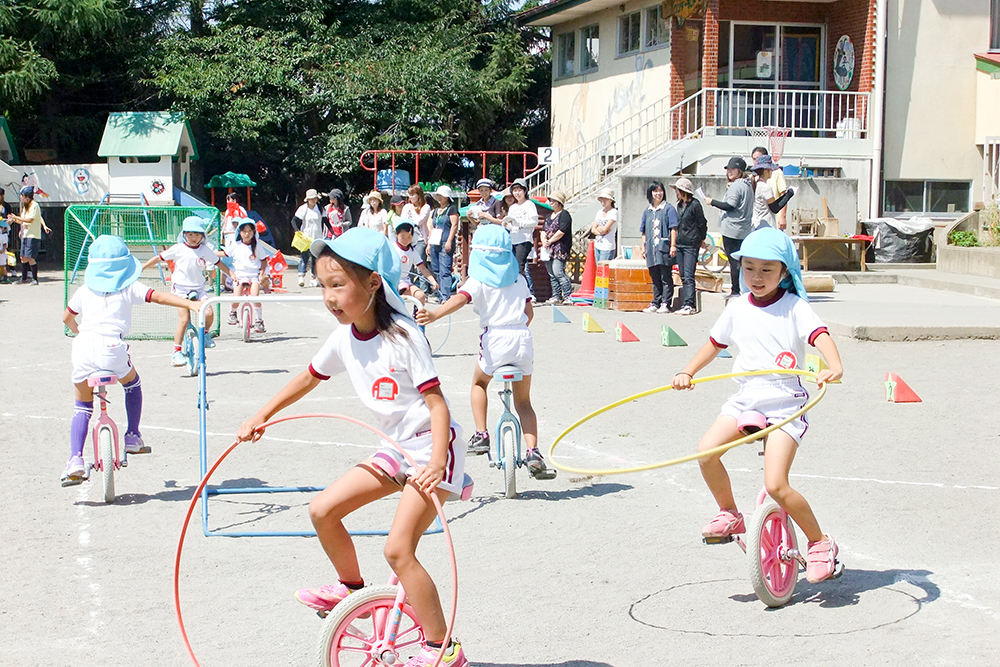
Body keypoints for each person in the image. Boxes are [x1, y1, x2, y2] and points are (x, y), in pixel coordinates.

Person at [237, 227, 469, 667]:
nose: (329, 296)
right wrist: (261, 414)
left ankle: (443, 649)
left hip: (432, 448)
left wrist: (437, 463)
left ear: (373, 282)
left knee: (398, 550)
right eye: (324, 285)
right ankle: (351, 589)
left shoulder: (404, 335)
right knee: (322, 510)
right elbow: (308, 376)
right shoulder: (344, 337)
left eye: (338, 284)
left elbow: (438, 406)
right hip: (396, 446)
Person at [671, 227, 844, 584]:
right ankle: (730, 513)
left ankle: (820, 543)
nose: (757, 277)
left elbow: (820, 337)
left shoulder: (794, 307)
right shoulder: (736, 307)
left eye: (767, 269)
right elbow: (714, 343)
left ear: (784, 272)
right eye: (749, 268)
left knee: (777, 484)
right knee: (705, 451)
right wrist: (686, 370)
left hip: (785, 404)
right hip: (745, 399)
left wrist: (834, 365)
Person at [416, 224, 556, 480]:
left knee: (479, 383)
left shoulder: (478, 281)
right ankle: (533, 451)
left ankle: (481, 434)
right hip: (522, 337)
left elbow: (460, 299)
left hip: (495, 338)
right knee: (523, 401)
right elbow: (529, 314)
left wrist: (435, 314)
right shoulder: (519, 279)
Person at [60, 235, 203, 485]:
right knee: (132, 383)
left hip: (83, 347)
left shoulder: (84, 290)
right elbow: (159, 297)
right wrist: (191, 304)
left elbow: (67, 318)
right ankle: (133, 436)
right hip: (112, 348)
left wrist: (76, 329)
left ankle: (75, 459)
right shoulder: (129, 287)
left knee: (82, 406)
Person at [141, 216, 232, 366]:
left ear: (202, 236)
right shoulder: (178, 249)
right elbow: (159, 258)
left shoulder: (204, 250)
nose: (194, 238)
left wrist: (232, 274)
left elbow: (218, 263)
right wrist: (143, 267)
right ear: (184, 234)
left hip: (199, 288)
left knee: (208, 313)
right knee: (184, 319)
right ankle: (176, 352)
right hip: (181, 289)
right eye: (190, 234)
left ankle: (206, 334)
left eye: (197, 235)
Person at [705, 157, 754, 298]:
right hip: (744, 229)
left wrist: (712, 201)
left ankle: (735, 290)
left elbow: (730, 206)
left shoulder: (736, 186)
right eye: (728, 169)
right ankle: (744, 289)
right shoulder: (748, 185)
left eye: (733, 169)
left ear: (740, 170)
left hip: (732, 229)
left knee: (734, 261)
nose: (729, 172)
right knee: (741, 261)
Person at [221, 218, 267, 333]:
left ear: (254, 232)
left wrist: (261, 274)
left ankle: (259, 320)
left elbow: (263, 260)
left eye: (250, 231)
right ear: (239, 232)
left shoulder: (257, 246)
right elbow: (225, 253)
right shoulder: (236, 245)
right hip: (239, 275)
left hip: (254, 275)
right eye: (244, 231)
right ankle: (232, 312)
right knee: (237, 297)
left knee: (254, 297)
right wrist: (208, 254)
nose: (247, 234)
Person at [639, 181, 678, 313]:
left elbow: (673, 228)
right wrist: (643, 247)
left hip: (664, 247)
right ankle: (656, 301)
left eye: (660, 191)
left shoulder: (668, 208)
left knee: (665, 275)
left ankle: (666, 302)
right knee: (654, 275)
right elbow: (643, 231)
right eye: (655, 191)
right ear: (650, 193)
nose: (658, 194)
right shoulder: (647, 211)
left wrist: (673, 245)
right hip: (651, 248)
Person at [671, 177, 708, 316]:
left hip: (691, 244)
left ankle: (689, 304)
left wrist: (701, 238)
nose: (676, 192)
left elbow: (702, 223)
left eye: (677, 190)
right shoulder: (679, 205)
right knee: (683, 275)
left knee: (688, 274)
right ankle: (686, 303)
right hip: (680, 242)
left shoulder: (695, 205)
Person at [7, 185, 51, 285]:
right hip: (25, 235)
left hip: (33, 235)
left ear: (27, 196)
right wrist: (14, 219)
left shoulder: (34, 206)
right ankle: (24, 278)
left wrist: (16, 217)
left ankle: (35, 279)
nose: (21, 198)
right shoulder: (25, 207)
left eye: (22, 196)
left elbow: (30, 220)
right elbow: (23, 221)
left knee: (31, 258)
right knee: (23, 257)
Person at [392, 219, 438, 304]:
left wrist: (433, 281)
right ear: (396, 235)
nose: (406, 240)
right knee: (402, 295)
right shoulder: (392, 248)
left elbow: (423, 268)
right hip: (392, 281)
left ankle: (417, 315)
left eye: (409, 237)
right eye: (402, 237)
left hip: (405, 280)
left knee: (421, 296)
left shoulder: (412, 251)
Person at [540, 189, 573, 305]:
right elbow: (543, 230)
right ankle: (556, 296)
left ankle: (568, 295)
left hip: (560, 248)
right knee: (551, 273)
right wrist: (544, 240)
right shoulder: (549, 216)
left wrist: (550, 240)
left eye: (554, 201)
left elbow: (561, 231)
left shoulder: (564, 215)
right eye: (551, 201)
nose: (551, 203)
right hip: (549, 249)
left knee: (558, 271)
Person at [427, 185, 460, 302]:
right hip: (435, 241)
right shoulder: (436, 210)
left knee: (445, 269)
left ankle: (445, 295)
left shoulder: (452, 209)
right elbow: (432, 226)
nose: (439, 197)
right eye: (438, 195)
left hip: (445, 240)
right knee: (436, 269)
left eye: (441, 195)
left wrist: (450, 241)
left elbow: (454, 225)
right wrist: (429, 244)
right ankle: (439, 293)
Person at [749, 154, 795, 230]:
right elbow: (775, 208)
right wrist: (789, 194)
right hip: (766, 225)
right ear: (765, 170)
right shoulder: (765, 187)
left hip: (756, 224)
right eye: (770, 169)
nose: (772, 171)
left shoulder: (756, 184)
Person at [503, 178, 537, 282]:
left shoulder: (529, 204)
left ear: (525, 191)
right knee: (513, 266)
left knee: (519, 267)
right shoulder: (512, 207)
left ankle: (524, 291)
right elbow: (511, 225)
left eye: (519, 190)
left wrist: (520, 223)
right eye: (515, 190)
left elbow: (534, 222)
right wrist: (507, 225)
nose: (517, 193)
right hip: (513, 239)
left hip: (524, 239)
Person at [293, 188, 326, 287]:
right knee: (304, 256)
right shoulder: (303, 208)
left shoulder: (320, 209)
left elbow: (325, 221)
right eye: (311, 199)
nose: (313, 200)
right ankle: (301, 276)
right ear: (307, 199)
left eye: (314, 198)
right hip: (306, 237)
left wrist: (331, 232)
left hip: (317, 236)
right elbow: (294, 221)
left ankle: (313, 278)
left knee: (315, 258)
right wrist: (297, 230)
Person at [402, 185, 432, 261]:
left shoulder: (426, 207)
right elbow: (402, 221)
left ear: (419, 195)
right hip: (407, 239)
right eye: (409, 195)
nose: (410, 197)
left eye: (412, 195)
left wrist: (413, 211)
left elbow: (419, 221)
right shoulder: (407, 207)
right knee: (408, 263)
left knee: (420, 263)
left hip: (420, 239)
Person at [591, 189, 618, 262]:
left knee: (604, 270)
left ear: (611, 200)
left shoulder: (614, 212)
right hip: (598, 245)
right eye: (602, 199)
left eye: (605, 199)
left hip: (607, 246)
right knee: (599, 270)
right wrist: (600, 231)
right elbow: (593, 229)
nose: (603, 201)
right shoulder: (599, 212)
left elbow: (605, 229)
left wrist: (600, 229)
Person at [0, 215, 9, 284]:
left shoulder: (4, 236)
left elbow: (5, 244)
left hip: (2, 253)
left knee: (2, 266)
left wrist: (3, 250)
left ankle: (5, 277)